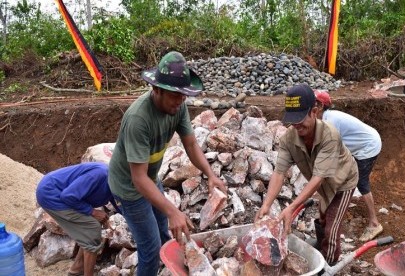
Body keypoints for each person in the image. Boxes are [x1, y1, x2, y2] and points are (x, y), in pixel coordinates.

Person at [108, 51, 227, 275]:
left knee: (164, 231)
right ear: (157, 90)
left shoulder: (178, 105)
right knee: (150, 247)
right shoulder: (138, 119)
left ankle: (168, 268)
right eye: (175, 95)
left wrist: (211, 175)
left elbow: (191, 145)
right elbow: (138, 178)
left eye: (183, 95)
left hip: (150, 179)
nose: (181, 100)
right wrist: (173, 211)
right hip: (129, 187)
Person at [256, 84, 358, 265]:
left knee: (331, 230)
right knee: (324, 216)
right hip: (323, 182)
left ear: (314, 112)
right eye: (292, 119)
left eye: (300, 119)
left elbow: (318, 179)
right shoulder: (288, 138)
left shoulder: (330, 136)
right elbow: (279, 172)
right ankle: (320, 245)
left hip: (343, 182)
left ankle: (327, 267)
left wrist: (291, 207)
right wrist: (267, 204)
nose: (296, 125)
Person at [314, 90, 383, 242]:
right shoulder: (325, 119)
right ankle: (343, 200)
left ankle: (374, 223)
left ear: (319, 106)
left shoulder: (329, 122)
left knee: (361, 181)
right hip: (360, 145)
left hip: (368, 146)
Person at [36, 162, 118, 276]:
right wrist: (93, 211)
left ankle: (76, 270)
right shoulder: (100, 175)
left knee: (88, 231)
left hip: (58, 193)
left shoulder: (117, 182)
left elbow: (120, 202)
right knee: (92, 228)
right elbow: (68, 196)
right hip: (51, 194)